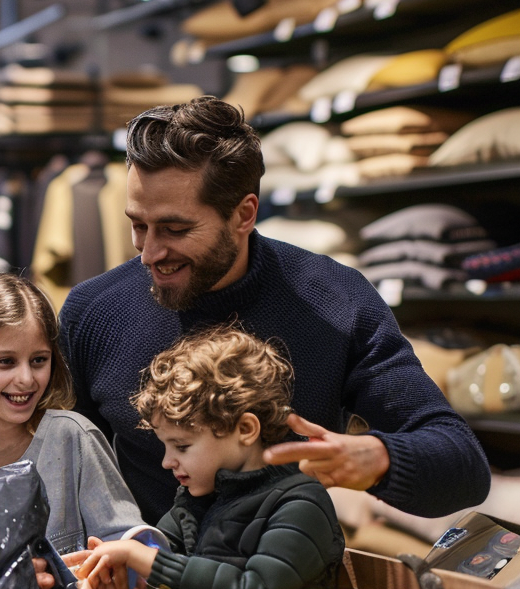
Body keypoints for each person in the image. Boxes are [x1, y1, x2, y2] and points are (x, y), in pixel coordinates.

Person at [59, 96, 491, 525]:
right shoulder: (93, 312)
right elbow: (61, 475)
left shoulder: (335, 301)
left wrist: (379, 458)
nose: (150, 253)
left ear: (244, 214)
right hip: (142, 583)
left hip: (286, 579)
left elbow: (463, 465)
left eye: (175, 229)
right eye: (138, 225)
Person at [74, 325, 345, 589]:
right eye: (165, 446)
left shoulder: (299, 503)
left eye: (182, 446)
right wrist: (118, 585)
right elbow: (162, 579)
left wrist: (145, 559)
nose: (167, 461)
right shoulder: (192, 503)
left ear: (245, 429)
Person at [0, 273, 143, 559]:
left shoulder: (72, 437)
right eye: (6, 362)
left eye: (39, 360)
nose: (26, 379)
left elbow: (127, 544)